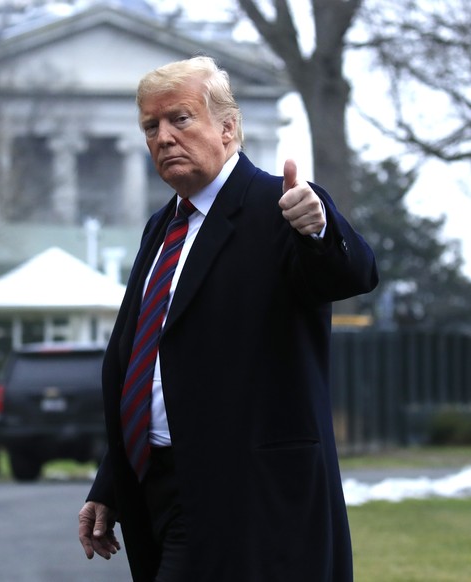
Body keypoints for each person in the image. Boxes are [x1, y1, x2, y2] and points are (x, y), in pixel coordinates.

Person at [77, 56, 378, 581]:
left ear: (228, 127)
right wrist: (112, 482)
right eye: (151, 126)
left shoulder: (280, 206)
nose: (164, 137)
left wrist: (320, 227)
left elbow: (352, 273)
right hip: (163, 489)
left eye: (180, 119)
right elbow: (147, 368)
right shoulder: (161, 227)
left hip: (252, 496)